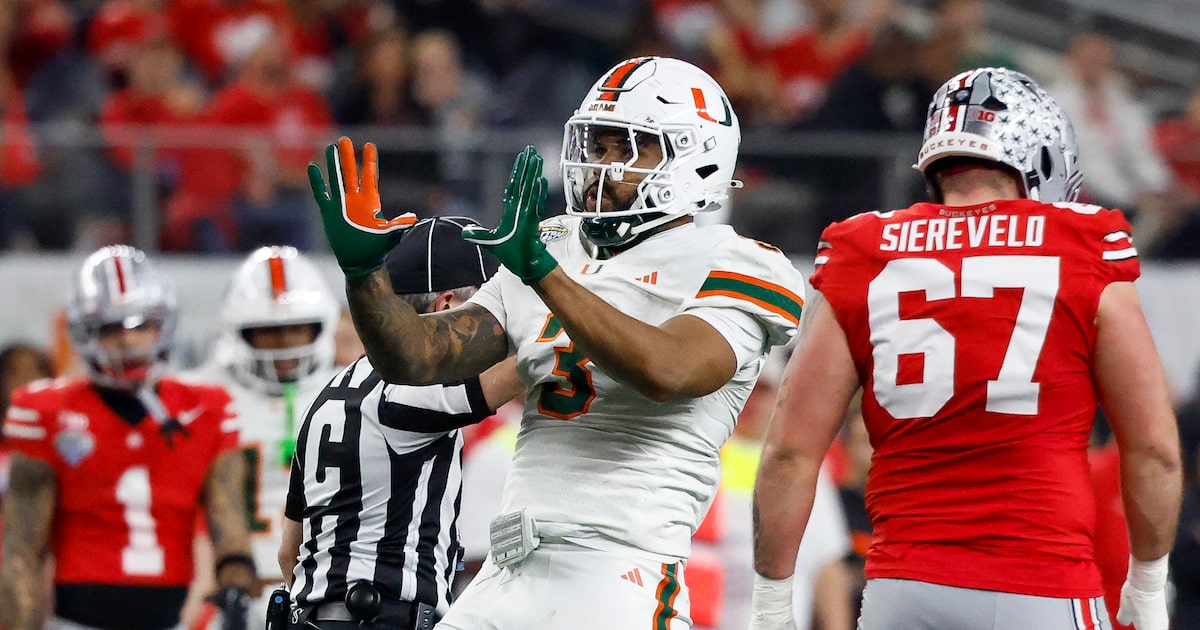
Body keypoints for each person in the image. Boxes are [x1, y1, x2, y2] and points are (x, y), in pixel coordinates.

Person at [307, 55, 805, 629]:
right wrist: (366, 277)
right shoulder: (555, 243)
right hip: (507, 568)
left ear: (696, 158)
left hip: (619, 574)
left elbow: (670, 371)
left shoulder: (736, 262)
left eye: (629, 148)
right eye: (598, 145)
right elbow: (419, 358)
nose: (601, 165)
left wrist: (546, 274)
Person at [749, 67, 1182, 630]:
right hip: (1041, 582)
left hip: (901, 588)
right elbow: (1153, 449)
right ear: (1043, 156)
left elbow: (790, 453)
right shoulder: (1082, 244)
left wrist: (771, 604)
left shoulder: (864, 249)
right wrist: (1146, 584)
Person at [278, 216, 522, 629]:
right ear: (448, 307)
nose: (501, 327)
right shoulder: (412, 386)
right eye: (494, 309)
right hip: (378, 618)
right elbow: (538, 358)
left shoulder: (329, 393)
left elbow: (290, 552)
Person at [0, 245, 256, 630]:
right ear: (84, 334)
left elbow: (230, 525)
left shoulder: (206, 408)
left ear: (164, 324)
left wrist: (236, 586)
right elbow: (22, 549)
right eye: (111, 329)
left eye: (142, 326)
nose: (129, 341)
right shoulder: (44, 412)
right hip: (74, 622)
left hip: (173, 620)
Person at [182, 244, 342, 625]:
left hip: (328, 584)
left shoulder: (348, 391)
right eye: (268, 331)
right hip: (227, 586)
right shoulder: (197, 397)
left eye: (296, 327)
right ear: (240, 331)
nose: (285, 342)